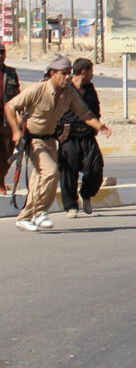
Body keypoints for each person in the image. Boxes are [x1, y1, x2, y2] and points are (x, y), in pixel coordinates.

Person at [4, 55, 112, 232]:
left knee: (40, 181)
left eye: (69, 73)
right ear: (52, 73)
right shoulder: (38, 89)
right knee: (51, 172)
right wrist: (16, 131)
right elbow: (10, 106)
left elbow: (84, 113)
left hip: (50, 140)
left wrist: (99, 126)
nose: (67, 77)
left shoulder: (69, 93)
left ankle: (24, 217)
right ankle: (39, 213)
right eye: (63, 73)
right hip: (33, 140)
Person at [58, 58, 104, 219]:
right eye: (91, 71)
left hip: (87, 136)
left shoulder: (90, 88)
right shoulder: (65, 88)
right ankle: (71, 206)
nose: (92, 75)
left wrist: (97, 126)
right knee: (68, 172)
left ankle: (86, 194)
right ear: (84, 72)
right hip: (69, 137)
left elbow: (95, 110)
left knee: (96, 168)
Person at [0, 44, 20, 194]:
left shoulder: (11, 73)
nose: (1, 56)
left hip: (6, 120)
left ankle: (1, 180)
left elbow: (18, 95)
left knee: (7, 152)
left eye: (2, 53)